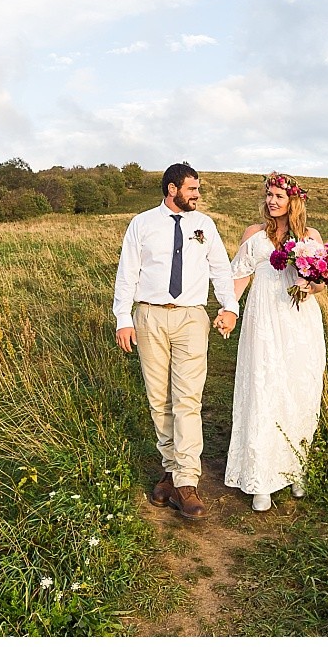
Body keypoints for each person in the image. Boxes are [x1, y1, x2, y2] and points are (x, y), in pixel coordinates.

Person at [113, 162, 240, 521]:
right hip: (150, 315)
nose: (197, 195)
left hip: (190, 317)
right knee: (159, 399)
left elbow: (220, 269)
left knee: (187, 398)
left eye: (198, 189)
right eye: (191, 189)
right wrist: (124, 319)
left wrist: (229, 306)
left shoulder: (205, 225)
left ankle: (186, 481)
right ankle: (169, 470)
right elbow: (127, 273)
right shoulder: (142, 224)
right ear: (172, 190)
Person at [224, 171, 328, 512]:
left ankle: (296, 469)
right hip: (264, 320)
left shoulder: (310, 236)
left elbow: (322, 284)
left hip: (300, 322)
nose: (271, 201)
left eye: (278, 196)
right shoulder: (253, 234)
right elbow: (238, 277)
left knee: (299, 391)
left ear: (292, 202)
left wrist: (310, 285)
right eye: (268, 195)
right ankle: (261, 478)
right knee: (264, 389)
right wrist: (230, 311)